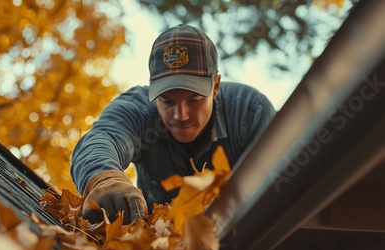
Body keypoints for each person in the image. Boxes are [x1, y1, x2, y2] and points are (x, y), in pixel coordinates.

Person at [71, 24, 276, 225]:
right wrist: (105, 179)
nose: (180, 115)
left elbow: (279, 185)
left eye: (193, 100)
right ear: (152, 92)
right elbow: (101, 139)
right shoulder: (139, 109)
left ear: (215, 87)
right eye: (167, 101)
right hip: (159, 248)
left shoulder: (250, 113)